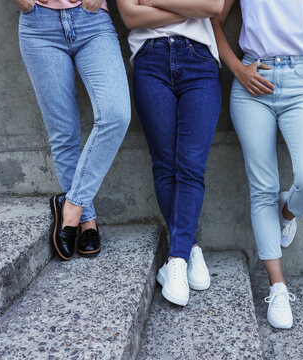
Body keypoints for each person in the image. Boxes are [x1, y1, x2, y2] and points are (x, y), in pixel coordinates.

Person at [212, 0, 303, 328]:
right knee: (262, 188)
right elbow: (212, 22)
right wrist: (238, 70)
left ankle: (286, 211)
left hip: (302, 81)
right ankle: (277, 286)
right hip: (254, 78)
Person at [116, 0, 224, 306]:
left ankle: (175, 260)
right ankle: (190, 249)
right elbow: (129, 15)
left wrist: (151, 1)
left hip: (199, 60)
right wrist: (191, 9)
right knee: (165, 164)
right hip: (150, 60)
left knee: (190, 165)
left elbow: (214, 6)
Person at [13, 0, 131, 260]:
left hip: (92, 21)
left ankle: (72, 205)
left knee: (116, 115)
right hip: (38, 25)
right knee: (63, 133)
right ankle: (87, 222)